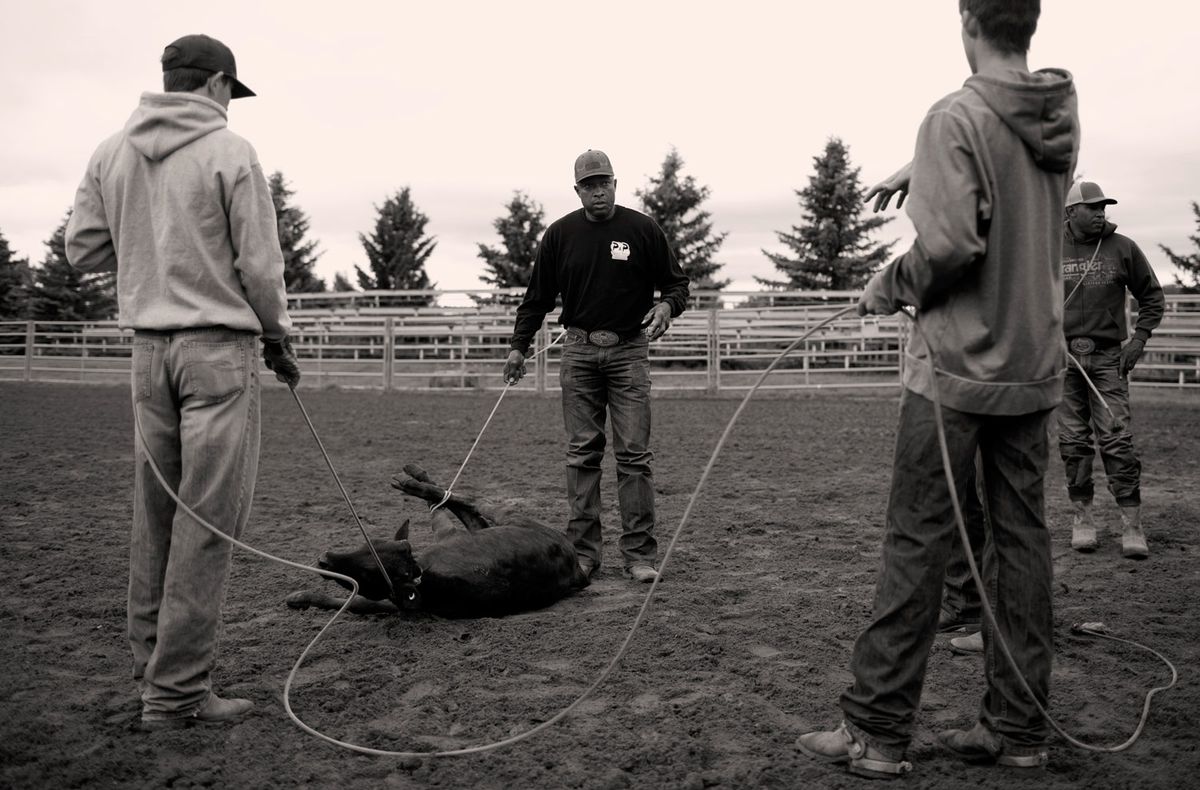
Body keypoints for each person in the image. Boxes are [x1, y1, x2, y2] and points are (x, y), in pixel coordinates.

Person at [796, 0, 1079, 778]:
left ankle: (877, 733)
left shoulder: (953, 115)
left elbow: (952, 241)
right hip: (1033, 367)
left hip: (954, 373)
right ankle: (1020, 731)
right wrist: (924, 167)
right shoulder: (1056, 113)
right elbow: (1002, 166)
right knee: (1023, 543)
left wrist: (891, 281)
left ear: (966, 19)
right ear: (1029, 21)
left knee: (917, 543)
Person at [66, 33, 301, 729]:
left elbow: (82, 248)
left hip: (147, 354)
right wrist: (279, 338)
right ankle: (176, 695)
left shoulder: (111, 151)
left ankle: (151, 669)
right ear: (219, 84)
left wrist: (149, 247)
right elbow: (260, 269)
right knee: (205, 520)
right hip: (217, 355)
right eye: (233, 91)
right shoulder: (232, 152)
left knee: (157, 512)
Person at [503, 150, 690, 583]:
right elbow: (536, 299)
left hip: (628, 353)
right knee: (582, 454)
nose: (598, 190)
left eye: (603, 182)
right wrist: (518, 347)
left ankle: (639, 555)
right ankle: (584, 555)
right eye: (589, 185)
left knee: (634, 456)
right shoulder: (559, 235)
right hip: (580, 353)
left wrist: (666, 306)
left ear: (615, 184)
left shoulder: (642, 229)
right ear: (578, 190)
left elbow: (678, 284)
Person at [1059, 181, 1164, 558]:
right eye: (1092, 206)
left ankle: (1131, 523)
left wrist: (1138, 340)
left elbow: (1151, 295)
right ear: (1071, 212)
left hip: (1106, 356)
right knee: (1073, 441)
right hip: (1063, 357)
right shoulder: (1046, 248)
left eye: (1103, 205)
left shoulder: (1123, 248)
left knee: (1117, 438)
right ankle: (1082, 517)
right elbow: (1028, 299)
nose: (1101, 211)